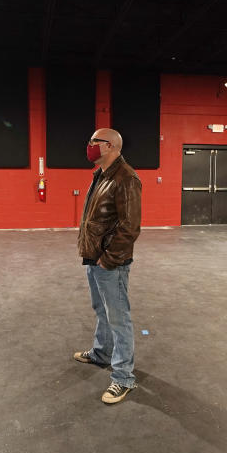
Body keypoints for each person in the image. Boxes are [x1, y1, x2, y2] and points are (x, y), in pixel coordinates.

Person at [73, 128, 142, 404]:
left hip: (110, 262)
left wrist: (108, 259)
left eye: (94, 142)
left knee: (118, 317)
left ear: (110, 146)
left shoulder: (126, 178)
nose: (89, 145)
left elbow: (130, 227)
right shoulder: (101, 174)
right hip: (94, 257)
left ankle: (123, 377)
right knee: (100, 309)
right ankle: (102, 353)